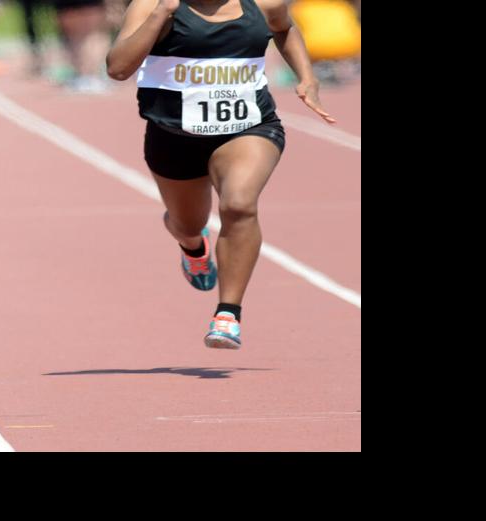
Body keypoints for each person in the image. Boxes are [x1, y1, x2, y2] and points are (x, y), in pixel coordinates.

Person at [107, 0, 334, 349]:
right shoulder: (153, 4)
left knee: (239, 204)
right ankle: (193, 247)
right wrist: (160, 15)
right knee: (185, 223)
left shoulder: (264, 3)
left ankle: (227, 314)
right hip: (173, 135)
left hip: (248, 127)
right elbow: (118, 68)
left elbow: (284, 28)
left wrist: (308, 78)